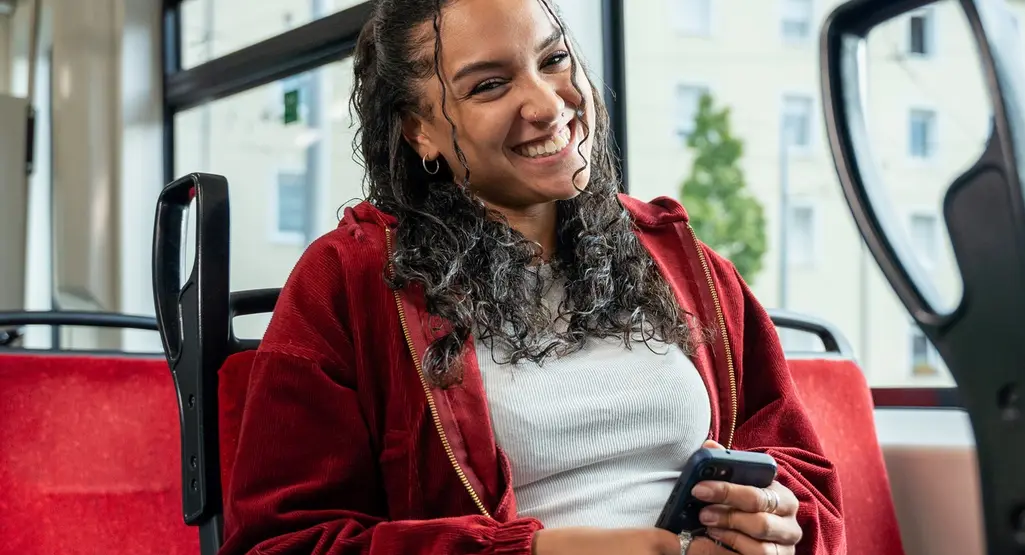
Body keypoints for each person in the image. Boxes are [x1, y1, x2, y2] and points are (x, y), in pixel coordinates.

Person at [219, 0, 845, 554]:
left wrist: (779, 522)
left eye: (553, 60)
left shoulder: (681, 260)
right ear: (420, 131)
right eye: (490, 85)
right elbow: (282, 543)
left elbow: (804, 479)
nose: (549, 106)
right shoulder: (350, 282)